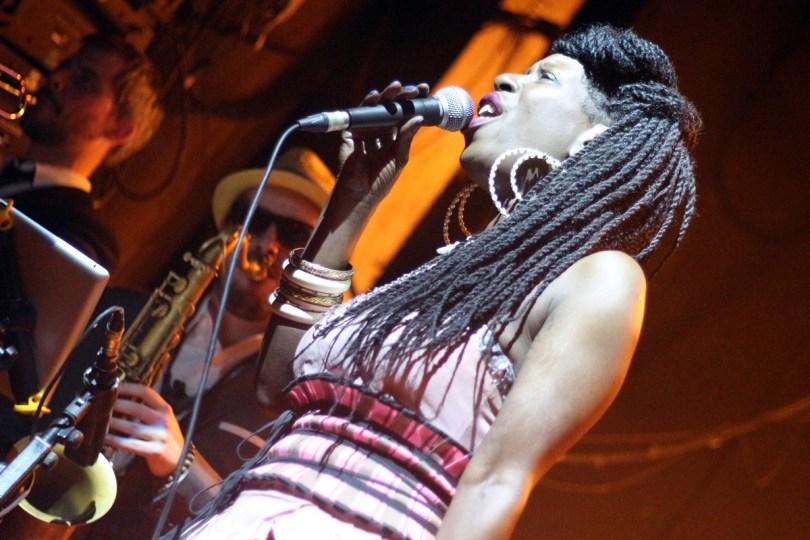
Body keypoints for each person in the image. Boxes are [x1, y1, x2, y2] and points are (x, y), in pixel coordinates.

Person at [178, 24, 701, 540]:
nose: (506, 78)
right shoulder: (449, 269)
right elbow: (275, 385)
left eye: (544, 76)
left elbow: (495, 483)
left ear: (593, 140)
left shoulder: (599, 278)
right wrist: (355, 195)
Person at [90, 148, 335, 536]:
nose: (267, 244)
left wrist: (180, 463)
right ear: (225, 232)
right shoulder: (119, 315)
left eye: (295, 236)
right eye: (254, 220)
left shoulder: (304, 403)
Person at [0, 32, 163, 272]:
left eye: (84, 80)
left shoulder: (84, 239)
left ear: (120, 130)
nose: (56, 78)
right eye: (64, 67)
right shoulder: (10, 173)